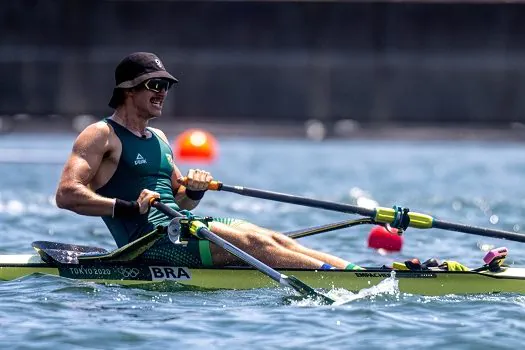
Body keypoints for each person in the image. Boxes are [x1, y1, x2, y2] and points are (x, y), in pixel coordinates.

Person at [55, 52, 361, 270]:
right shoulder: (101, 135)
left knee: (273, 238)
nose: (162, 93)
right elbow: (67, 194)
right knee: (256, 245)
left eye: (166, 86)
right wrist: (129, 207)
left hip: (182, 228)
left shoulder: (160, 139)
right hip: (150, 245)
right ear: (127, 89)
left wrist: (195, 192)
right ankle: (341, 281)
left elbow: (179, 202)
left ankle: (360, 273)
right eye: (154, 85)